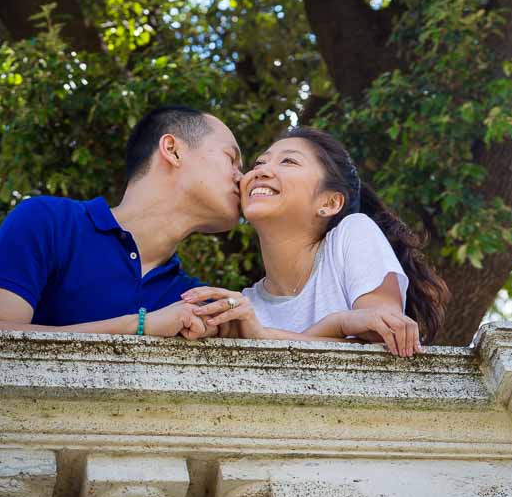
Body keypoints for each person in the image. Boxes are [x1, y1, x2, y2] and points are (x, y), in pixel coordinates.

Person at [0, 105, 243, 338]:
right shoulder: (49, 222)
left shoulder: (192, 300)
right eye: (231, 159)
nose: (241, 177)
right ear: (173, 150)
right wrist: (140, 325)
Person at [182, 126, 450, 355]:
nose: (261, 172)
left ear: (329, 202)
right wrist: (338, 326)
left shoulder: (352, 234)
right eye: (259, 164)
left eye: (288, 162)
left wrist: (333, 323)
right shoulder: (245, 308)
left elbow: (387, 339)